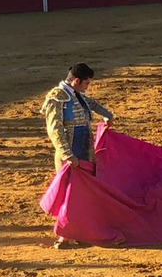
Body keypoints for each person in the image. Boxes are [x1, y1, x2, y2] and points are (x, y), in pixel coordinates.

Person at [42, 63, 114, 248]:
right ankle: (64, 237)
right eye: (86, 83)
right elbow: (55, 129)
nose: (87, 87)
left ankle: (79, 231)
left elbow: (91, 103)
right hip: (71, 151)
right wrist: (67, 154)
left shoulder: (76, 94)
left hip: (84, 150)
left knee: (82, 193)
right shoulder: (56, 98)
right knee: (68, 193)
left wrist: (107, 114)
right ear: (76, 81)